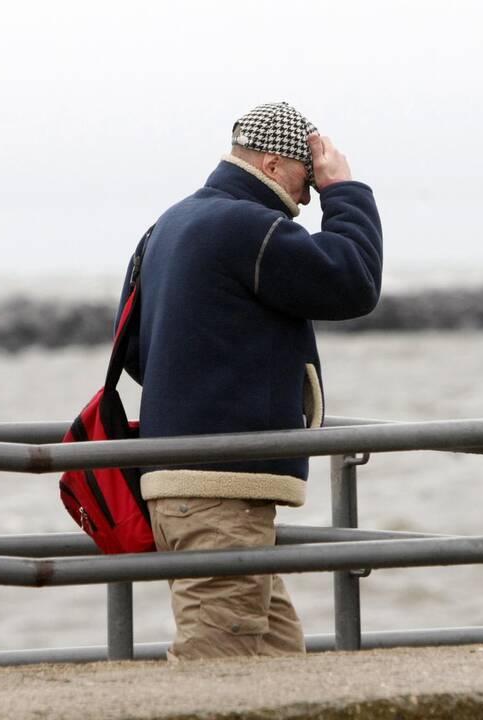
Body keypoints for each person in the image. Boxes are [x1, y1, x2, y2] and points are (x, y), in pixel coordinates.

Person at [118, 101, 383, 662]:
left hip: (176, 485)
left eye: (319, 183)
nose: (308, 197)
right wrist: (345, 190)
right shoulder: (247, 227)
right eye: (305, 177)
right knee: (217, 668)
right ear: (269, 164)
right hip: (218, 493)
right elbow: (353, 282)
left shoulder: (168, 224)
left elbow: (141, 353)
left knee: (278, 664)